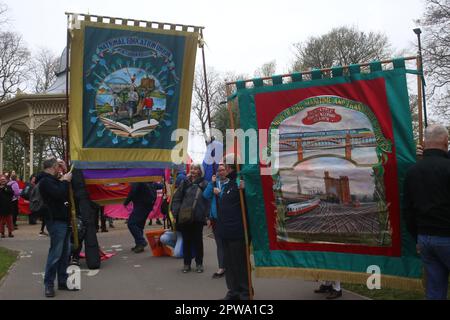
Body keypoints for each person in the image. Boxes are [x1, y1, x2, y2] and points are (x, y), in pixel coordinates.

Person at [403, 125, 450, 300]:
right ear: (446, 142)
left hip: (424, 240)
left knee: (435, 290)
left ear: (424, 143)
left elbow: (408, 210)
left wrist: (417, 237)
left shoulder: (412, 171)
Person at [38, 158, 76, 298]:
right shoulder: (45, 181)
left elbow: (61, 190)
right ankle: (49, 284)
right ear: (53, 167)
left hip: (62, 220)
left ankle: (62, 281)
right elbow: (60, 194)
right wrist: (65, 180)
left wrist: (65, 173)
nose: (59, 170)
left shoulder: (51, 180)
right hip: (56, 221)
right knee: (55, 254)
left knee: (65, 253)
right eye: (57, 168)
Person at [216, 162, 250, 300]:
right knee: (229, 264)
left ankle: (245, 292)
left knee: (239, 263)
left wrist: (246, 188)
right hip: (225, 231)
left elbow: (251, 199)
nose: (222, 170)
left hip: (237, 232)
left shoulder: (240, 182)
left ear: (231, 168)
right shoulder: (229, 184)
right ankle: (233, 291)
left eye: (225, 167)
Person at [171, 164, 209, 273]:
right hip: (184, 216)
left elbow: (208, 201)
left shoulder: (204, 184)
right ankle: (186, 264)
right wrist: (176, 213)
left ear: (200, 171)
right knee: (186, 240)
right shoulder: (185, 183)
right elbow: (177, 198)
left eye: (196, 169)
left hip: (198, 217)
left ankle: (199, 263)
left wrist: (206, 215)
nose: (193, 170)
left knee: (198, 241)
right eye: (192, 168)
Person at [203, 164, 227, 279]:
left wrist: (220, 193)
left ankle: (231, 266)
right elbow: (206, 195)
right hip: (216, 219)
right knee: (220, 244)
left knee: (229, 244)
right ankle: (221, 267)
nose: (221, 172)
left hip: (228, 219)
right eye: (219, 170)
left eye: (223, 170)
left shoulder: (230, 183)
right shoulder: (214, 183)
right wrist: (211, 183)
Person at [124, 182, 157, 253]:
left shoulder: (137, 178)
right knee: (139, 225)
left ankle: (141, 242)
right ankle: (139, 245)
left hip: (141, 204)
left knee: (131, 223)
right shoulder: (146, 178)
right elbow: (156, 186)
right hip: (148, 204)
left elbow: (133, 191)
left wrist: (126, 202)